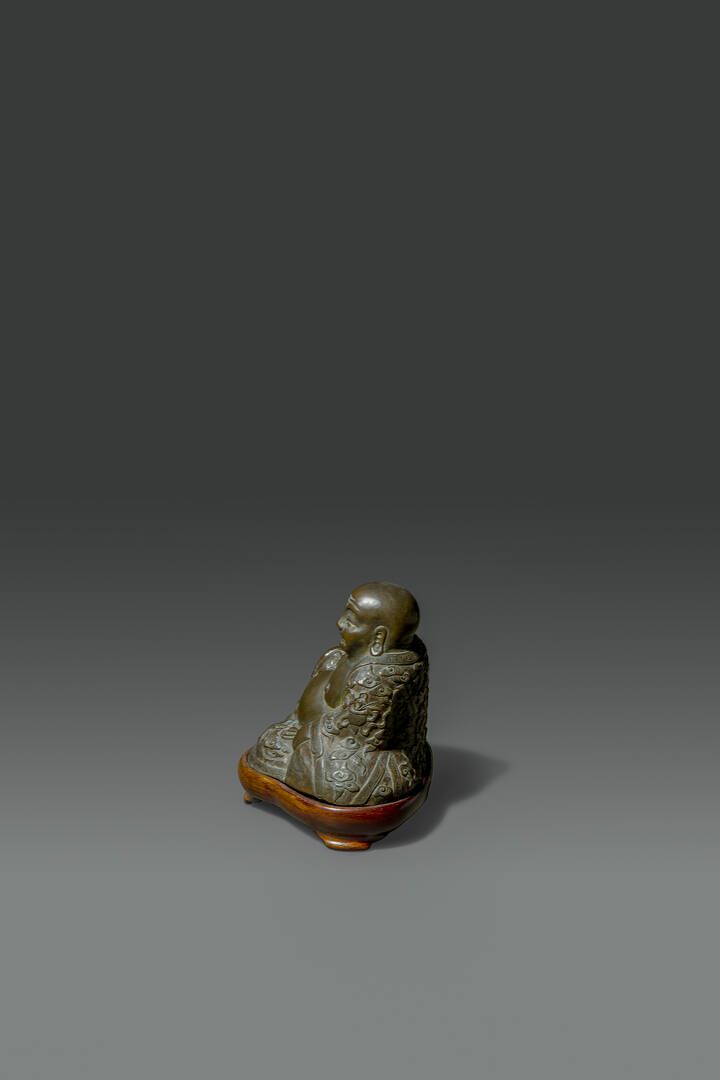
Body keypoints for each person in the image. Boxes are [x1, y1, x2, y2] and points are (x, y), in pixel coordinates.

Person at [247, 582, 429, 806]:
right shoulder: (353, 655)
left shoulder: (378, 677)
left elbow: (353, 735)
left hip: (356, 755)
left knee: (336, 782)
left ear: (378, 638)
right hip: (315, 728)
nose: (339, 623)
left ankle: (336, 808)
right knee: (272, 741)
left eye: (351, 621)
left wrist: (305, 733)